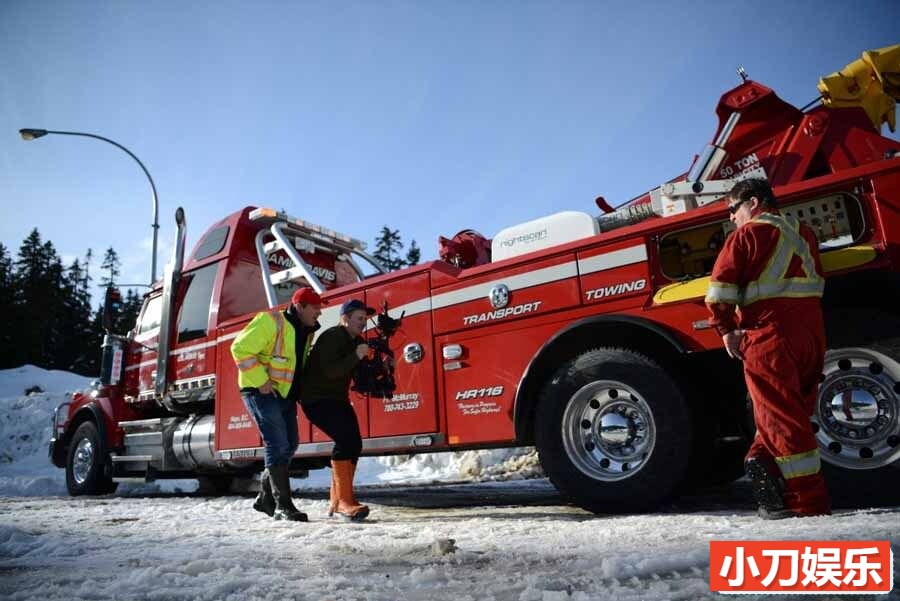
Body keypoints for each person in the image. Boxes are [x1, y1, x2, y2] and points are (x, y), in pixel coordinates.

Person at [705, 178, 830, 520]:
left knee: (780, 417)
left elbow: (718, 293)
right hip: (811, 335)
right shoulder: (803, 233)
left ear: (754, 203)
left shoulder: (745, 236)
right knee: (792, 413)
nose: (731, 217)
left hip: (769, 335)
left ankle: (807, 503)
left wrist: (726, 330)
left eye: (733, 209)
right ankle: (759, 460)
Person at [230, 287, 323, 522]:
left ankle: (264, 498)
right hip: (259, 390)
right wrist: (261, 381)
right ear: (300, 306)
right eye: (315, 308)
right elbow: (239, 348)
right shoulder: (271, 321)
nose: (319, 313)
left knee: (290, 443)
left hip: (284, 394)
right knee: (277, 442)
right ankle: (283, 506)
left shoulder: (306, 330)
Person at [301, 298, 373, 521]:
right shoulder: (332, 337)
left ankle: (338, 500)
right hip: (316, 400)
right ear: (345, 319)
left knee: (355, 444)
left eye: (365, 319)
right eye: (359, 318)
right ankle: (344, 502)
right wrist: (357, 355)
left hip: (336, 399)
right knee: (346, 442)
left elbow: (358, 374)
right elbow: (331, 371)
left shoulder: (355, 340)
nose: (363, 322)